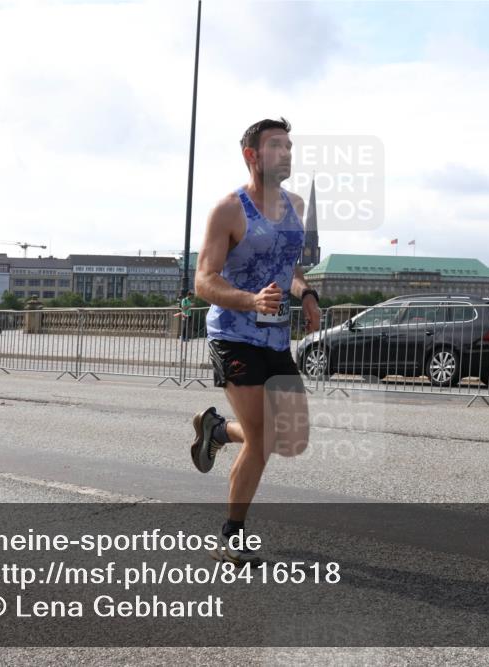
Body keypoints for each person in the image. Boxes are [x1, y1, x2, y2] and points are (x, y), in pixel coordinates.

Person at [190, 118, 321, 566]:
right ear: (252, 155)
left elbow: (290, 267)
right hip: (233, 334)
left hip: (276, 338)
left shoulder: (296, 206)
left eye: (289, 146)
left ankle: (218, 429)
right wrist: (250, 300)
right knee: (264, 436)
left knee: (288, 435)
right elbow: (203, 281)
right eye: (276, 146)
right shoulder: (229, 210)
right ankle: (232, 534)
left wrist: (306, 295)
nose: (286, 153)